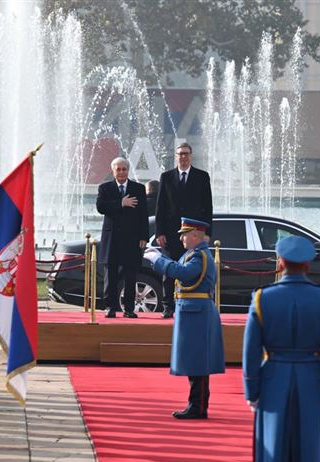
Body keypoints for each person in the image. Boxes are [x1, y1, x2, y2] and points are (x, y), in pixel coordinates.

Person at [242, 235, 320, 462]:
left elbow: (251, 352)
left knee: (274, 450)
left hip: (273, 378)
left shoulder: (263, 298)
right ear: (308, 265)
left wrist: (252, 391)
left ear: (281, 263)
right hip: (311, 378)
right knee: (308, 450)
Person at [143, 218, 224, 418]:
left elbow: (184, 273)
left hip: (197, 312)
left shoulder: (199, 256)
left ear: (196, 236)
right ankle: (196, 404)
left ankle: (198, 406)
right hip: (191, 310)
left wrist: (158, 260)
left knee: (198, 361)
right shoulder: (193, 254)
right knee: (193, 359)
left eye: (185, 234)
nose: (181, 238)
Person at [155, 142, 213, 318]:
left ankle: (187, 303)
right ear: (176, 157)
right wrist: (160, 232)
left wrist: (207, 234)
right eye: (180, 154)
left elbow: (207, 207)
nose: (183, 157)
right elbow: (160, 207)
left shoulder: (202, 177)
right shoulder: (166, 177)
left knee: (191, 269)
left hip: (194, 234)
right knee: (169, 270)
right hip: (171, 233)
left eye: (186, 154)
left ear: (191, 156)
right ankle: (168, 306)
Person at [96, 157, 148, 318]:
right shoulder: (105, 188)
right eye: (118, 169)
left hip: (131, 239)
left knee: (130, 276)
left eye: (124, 169)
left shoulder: (138, 188)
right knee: (110, 275)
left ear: (128, 170)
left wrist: (143, 237)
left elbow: (143, 215)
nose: (121, 172)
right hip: (111, 239)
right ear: (113, 171)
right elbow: (101, 207)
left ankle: (129, 309)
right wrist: (121, 203)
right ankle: (110, 307)